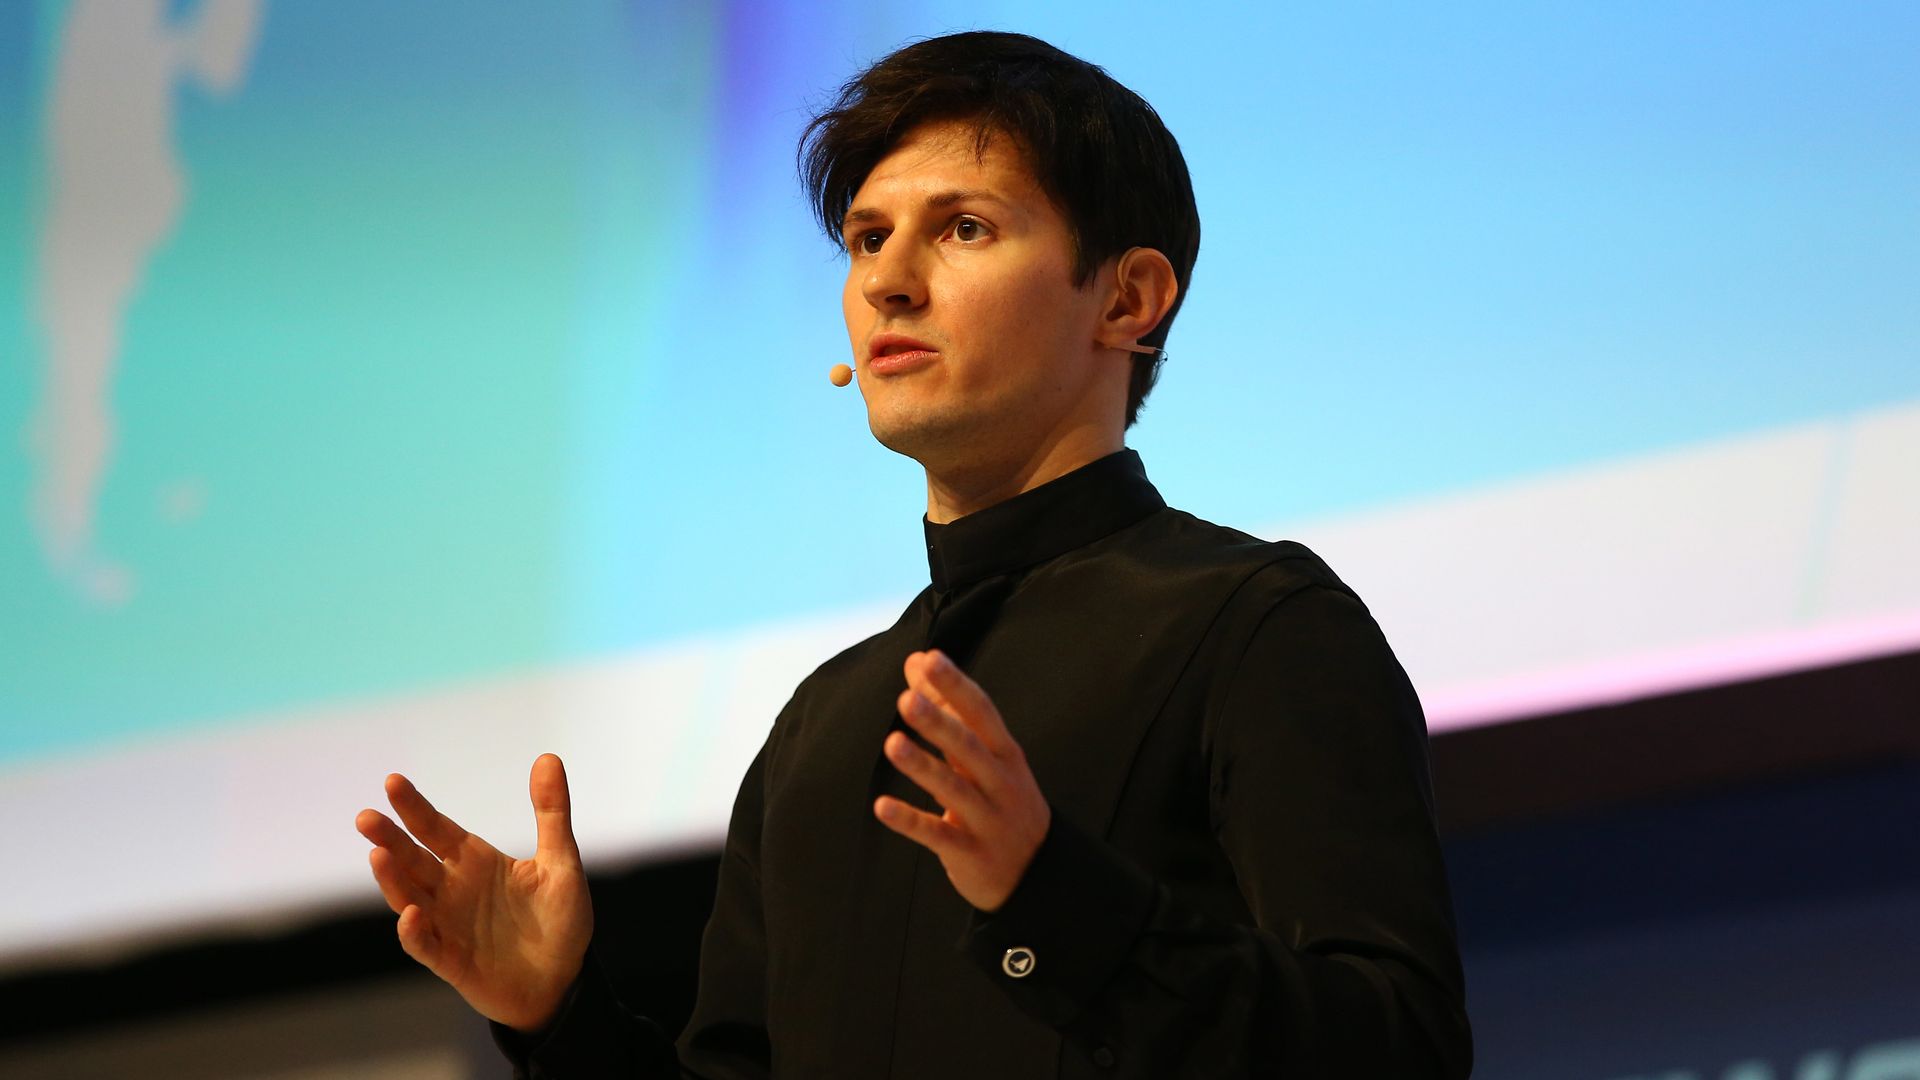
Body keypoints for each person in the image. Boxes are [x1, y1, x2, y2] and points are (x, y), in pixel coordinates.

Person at [355, 30, 1472, 1079]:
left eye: (965, 227)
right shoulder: (822, 729)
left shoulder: (1256, 628)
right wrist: (557, 1020)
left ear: (1128, 298)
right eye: (868, 238)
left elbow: (1400, 1050)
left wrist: (1050, 900)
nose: (888, 280)